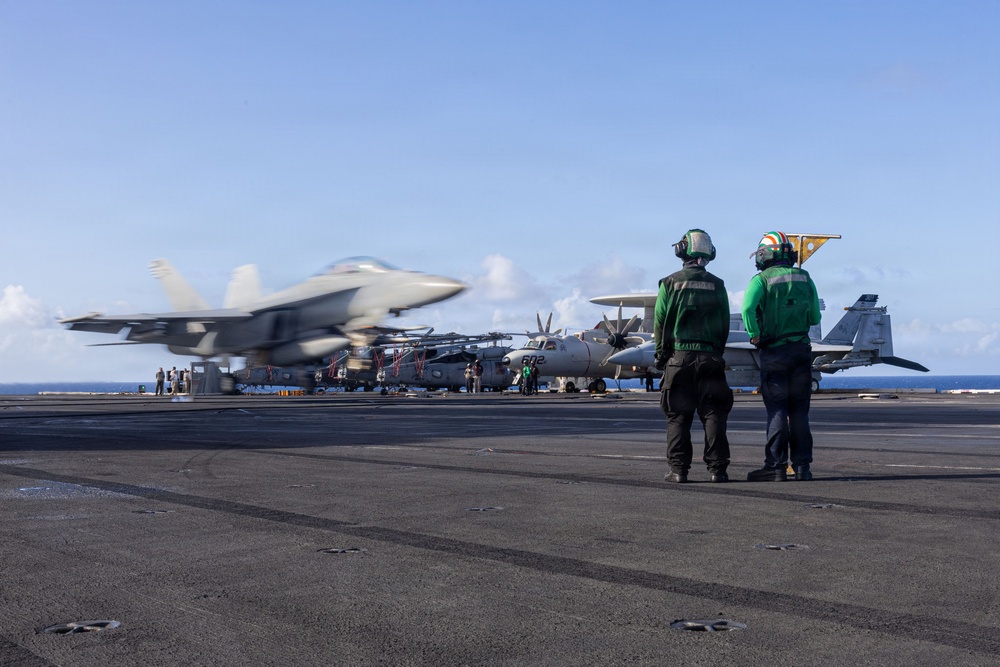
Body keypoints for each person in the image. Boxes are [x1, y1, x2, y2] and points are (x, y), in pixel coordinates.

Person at [654, 229, 733, 483]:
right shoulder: (718, 285)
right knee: (714, 415)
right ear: (709, 253)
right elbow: (724, 325)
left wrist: (661, 356)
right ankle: (718, 470)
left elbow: (660, 323)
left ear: (681, 251)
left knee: (678, 416)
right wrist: (716, 353)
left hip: (679, 359)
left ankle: (678, 471)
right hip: (711, 359)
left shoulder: (669, 283)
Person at [742, 231, 821, 482]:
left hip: (774, 352)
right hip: (801, 351)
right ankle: (802, 468)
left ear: (766, 254)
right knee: (799, 412)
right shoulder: (805, 277)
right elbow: (815, 318)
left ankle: (776, 466)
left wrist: (755, 335)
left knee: (777, 410)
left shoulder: (760, 280)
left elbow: (747, 308)